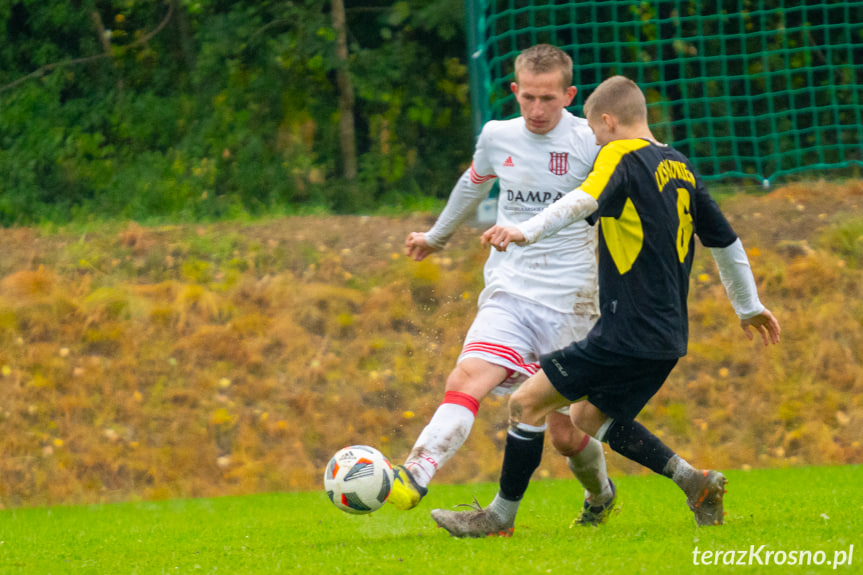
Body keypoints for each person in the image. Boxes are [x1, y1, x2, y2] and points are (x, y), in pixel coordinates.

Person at [431, 75, 781, 537]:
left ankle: (498, 518)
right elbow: (727, 243)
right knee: (588, 418)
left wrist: (524, 230)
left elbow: (582, 200)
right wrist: (748, 305)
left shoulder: (618, 153)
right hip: (668, 338)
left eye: (595, 133)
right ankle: (695, 483)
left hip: (625, 331)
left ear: (609, 122)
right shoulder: (681, 167)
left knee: (525, 405)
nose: (594, 143)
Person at [388, 44, 617, 527]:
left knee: (565, 433)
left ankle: (600, 494)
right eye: (528, 97)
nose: (536, 110)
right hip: (509, 289)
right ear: (514, 91)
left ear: (569, 95)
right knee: (465, 379)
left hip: (572, 301)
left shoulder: (589, 140)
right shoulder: (497, 136)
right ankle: (414, 473)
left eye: (548, 99)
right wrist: (436, 236)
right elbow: (474, 183)